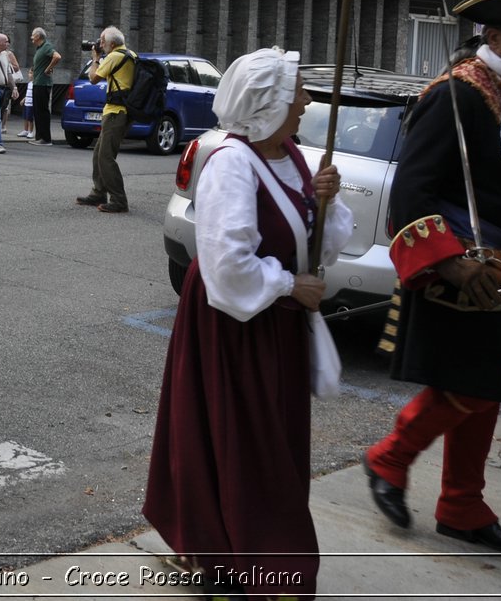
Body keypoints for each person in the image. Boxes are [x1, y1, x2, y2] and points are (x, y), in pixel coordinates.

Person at [144, 47, 350, 600]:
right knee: (238, 441)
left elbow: (317, 245)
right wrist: (289, 284)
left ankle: (253, 556)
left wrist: (326, 205)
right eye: (298, 92)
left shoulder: (292, 156)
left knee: (271, 444)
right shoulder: (233, 162)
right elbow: (226, 267)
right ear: (269, 101)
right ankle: (237, 564)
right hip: (233, 328)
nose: (307, 101)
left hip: (273, 327)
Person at [361, 0, 501, 555]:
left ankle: (461, 505)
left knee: (487, 385)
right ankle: (390, 457)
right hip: (459, 267)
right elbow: (412, 189)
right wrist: (448, 260)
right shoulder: (453, 95)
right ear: (492, 38)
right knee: (471, 385)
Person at [78, 26, 135, 213]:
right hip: (121, 112)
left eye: (102, 41)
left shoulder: (114, 57)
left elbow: (93, 78)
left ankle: (119, 200)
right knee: (98, 154)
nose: (100, 44)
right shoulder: (130, 54)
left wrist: (95, 58)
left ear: (112, 43)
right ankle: (98, 193)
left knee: (106, 157)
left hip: (116, 113)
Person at [28, 27, 62, 146]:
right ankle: (39, 137)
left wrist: (48, 68)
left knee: (42, 111)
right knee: (37, 111)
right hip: (38, 83)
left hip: (43, 83)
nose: (31, 37)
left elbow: (57, 56)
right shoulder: (40, 48)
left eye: (33, 35)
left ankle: (45, 138)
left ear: (38, 36)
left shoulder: (46, 46)